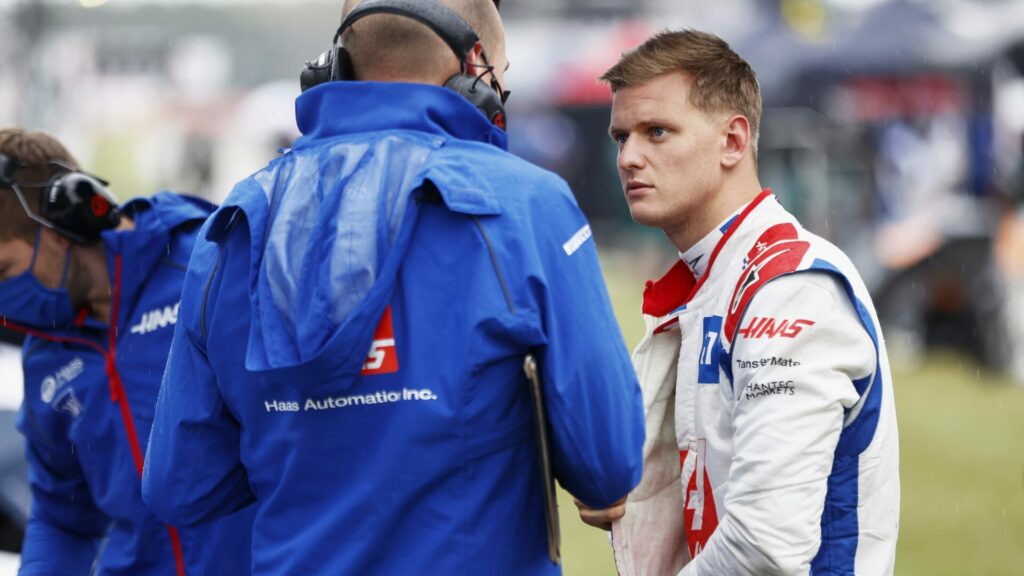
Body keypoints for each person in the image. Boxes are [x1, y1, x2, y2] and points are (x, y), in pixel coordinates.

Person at [140, 0, 645, 574]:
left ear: (334, 67)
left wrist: (306, 441)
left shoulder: (230, 228)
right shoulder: (526, 203)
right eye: (501, 78)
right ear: (476, 67)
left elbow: (180, 486)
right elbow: (607, 464)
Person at [577, 30, 901, 575]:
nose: (629, 157)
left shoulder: (788, 288)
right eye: (621, 137)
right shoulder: (718, 275)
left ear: (732, 141)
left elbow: (765, 544)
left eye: (657, 132)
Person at [0, 128, 254, 575]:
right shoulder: (44, 355)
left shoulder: (208, 265)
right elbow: (62, 519)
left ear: (62, 223)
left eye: (3, 270)